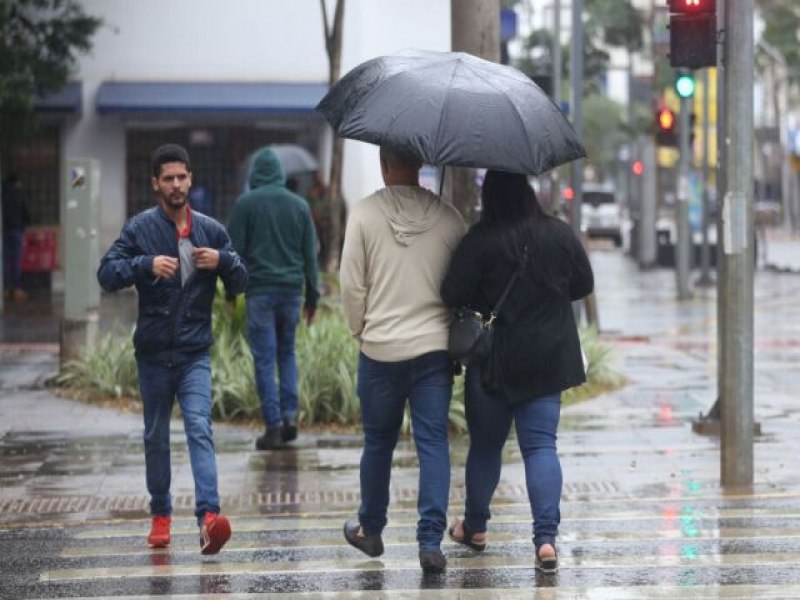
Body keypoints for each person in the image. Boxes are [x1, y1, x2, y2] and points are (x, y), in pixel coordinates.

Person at [440, 170, 594, 574]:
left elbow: (451, 294)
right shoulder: (558, 234)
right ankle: (545, 541)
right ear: (528, 193)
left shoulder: (479, 240)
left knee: (486, 447)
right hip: (546, 360)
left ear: (487, 198)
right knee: (541, 446)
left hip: (494, 362)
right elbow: (583, 283)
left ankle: (474, 527)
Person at [97, 143, 248, 554]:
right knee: (155, 436)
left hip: (194, 351)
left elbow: (241, 281)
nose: (177, 184)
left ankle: (209, 519)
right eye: (169, 179)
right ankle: (161, 514)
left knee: (200, 427)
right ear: (155, 184)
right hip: (153, 353)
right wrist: (143, 265)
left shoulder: (211, 231)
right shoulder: (140, 229)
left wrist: (224, 262)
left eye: (182, 177)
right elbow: (106, 274)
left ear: (191, 180)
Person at [338, 145, 466, 574]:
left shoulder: (364, 214)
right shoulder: (449, 219)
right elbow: (462, 286)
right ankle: (430, 542)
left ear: (383, 163)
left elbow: (351, 285)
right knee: (433, 444)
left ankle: (370, 529)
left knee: (378, 442)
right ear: (422, 164)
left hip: (380, 349)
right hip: (432, 350)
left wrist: (361, 330)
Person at [227, 147, 320, 451]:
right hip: (293, 293)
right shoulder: (300, 206)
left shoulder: (245, 205)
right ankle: (291, 416)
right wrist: (313, 299)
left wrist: (230, 293)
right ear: (280, 174)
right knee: (287, 354)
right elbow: (310, 256)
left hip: (260, 293)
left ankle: (274, 426)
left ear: (255, 175)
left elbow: (234, 253)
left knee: (265, 359)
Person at [2, 173, 31, 301]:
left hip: (4, 230)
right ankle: (17, 288)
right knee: (17, 259)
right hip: (17, 230)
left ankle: (6, 289)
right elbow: (26, 212)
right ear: (17, 182)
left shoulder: (3, 195)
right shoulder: (20, 194)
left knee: (5, 260)